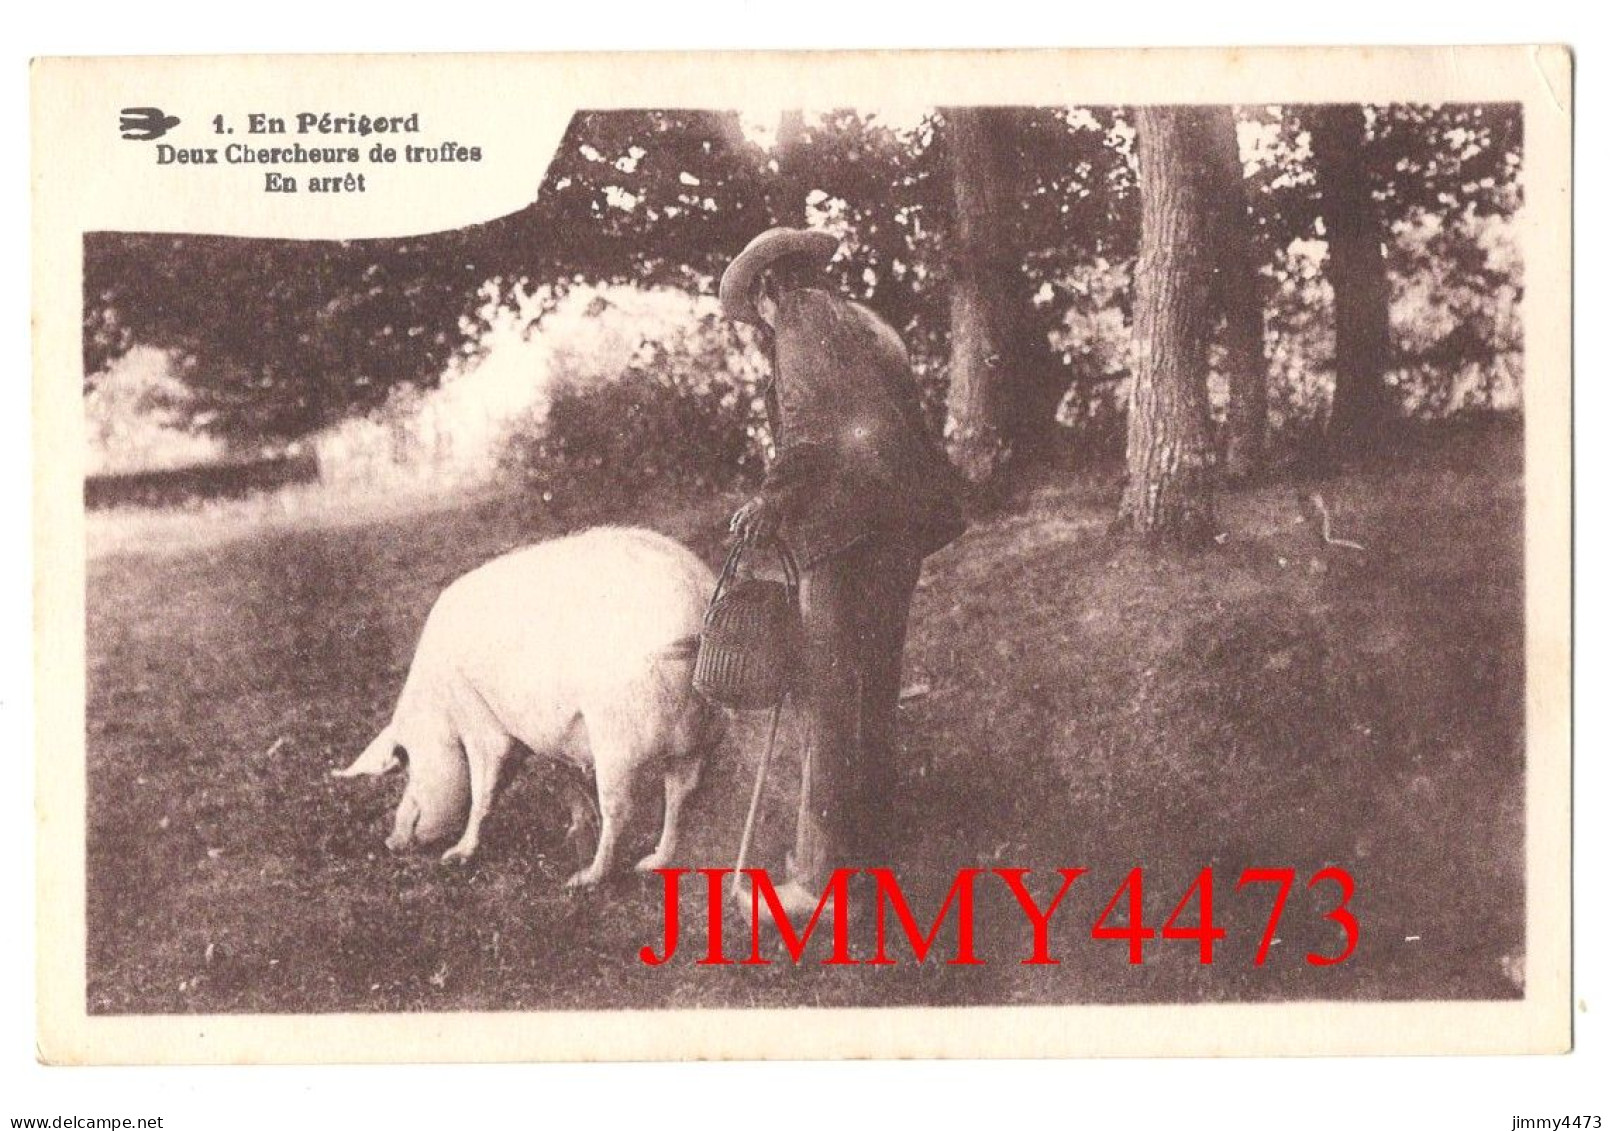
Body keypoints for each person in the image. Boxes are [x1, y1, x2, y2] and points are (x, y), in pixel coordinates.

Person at [718, 227, 965, 916]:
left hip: (847, 531)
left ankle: (817, 885)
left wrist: (773, 497)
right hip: (898, 526)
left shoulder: (799, 318)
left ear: (770, 286)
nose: (761, 323)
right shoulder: (865, 322)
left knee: (830, 702)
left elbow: (807, 428)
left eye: (756, 308)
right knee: (870, 698)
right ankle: (870, 867)